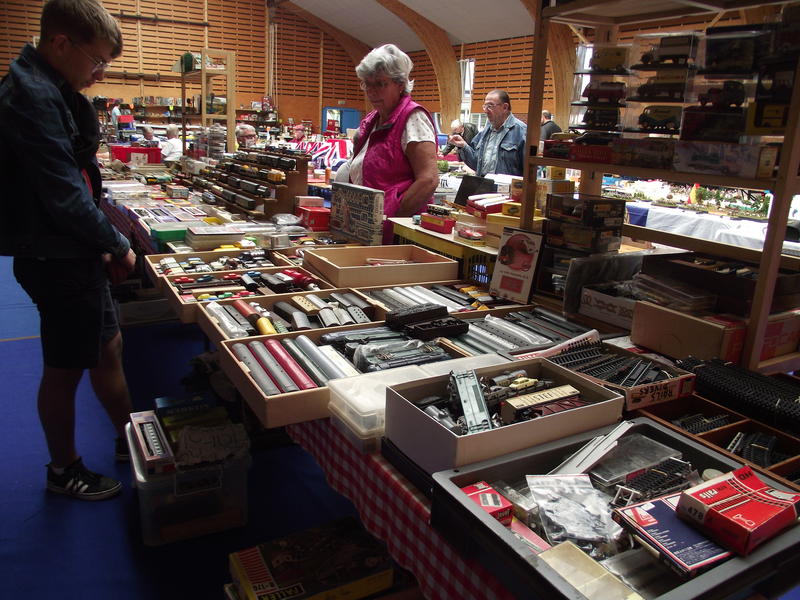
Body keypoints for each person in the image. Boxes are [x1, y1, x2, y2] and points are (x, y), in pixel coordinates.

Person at [0, 0, 136, 500]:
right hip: (54, 254)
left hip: (71, 248)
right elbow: (63, 194)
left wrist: (99, 241)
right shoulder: (29, 96)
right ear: (60, 43)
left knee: (108, 347)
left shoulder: (50, 86)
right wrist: (117, 243)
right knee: (65, 367)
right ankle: (63, 469)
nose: (99, 74)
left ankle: (132, 440)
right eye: (96, 60)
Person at [338, 43, 438, 244]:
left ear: (400, 84)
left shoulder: (412, 118)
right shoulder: (374, 119)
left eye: (381, 84)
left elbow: (428, 180)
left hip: (396, 234)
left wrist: (391, 219)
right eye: (368, 84)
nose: (372, 91)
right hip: (368, 227)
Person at [448, 89, 527, 177]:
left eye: (490, 106)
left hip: (507, 189)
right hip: (483, 186)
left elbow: (531, 172)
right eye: (485, 106)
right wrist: (463, 145)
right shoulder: (485, 132)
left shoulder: (521, 132)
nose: (485, 111)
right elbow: (476, 164)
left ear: (505, 107)